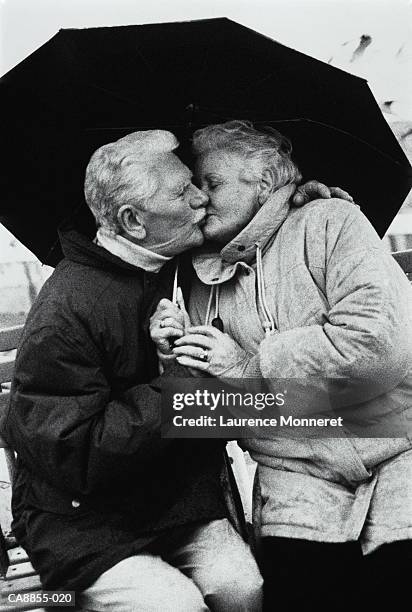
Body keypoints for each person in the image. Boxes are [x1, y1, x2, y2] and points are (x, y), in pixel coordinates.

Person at [152, 120, 412, 610]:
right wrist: (172, 362)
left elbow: (377, 348)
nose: (200, 199)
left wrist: (252, 369)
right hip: (295, 476)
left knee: (397, 581)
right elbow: (203, 414)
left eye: (212, 183)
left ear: (266, 182)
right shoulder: (190, 280)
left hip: (398, 451)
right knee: (301, 593)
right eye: (193, 186)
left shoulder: (330, 221)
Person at [2, 130, 264, 611]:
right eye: (181, 192)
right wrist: (175, 386)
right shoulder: (67, 309)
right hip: (82, 522)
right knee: (175, 605)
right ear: (133, 221)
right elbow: (72, 453)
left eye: (195, 184)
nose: (200, 197)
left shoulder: (174, 267)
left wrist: (302, 201)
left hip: (172, 504)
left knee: (243, 588)